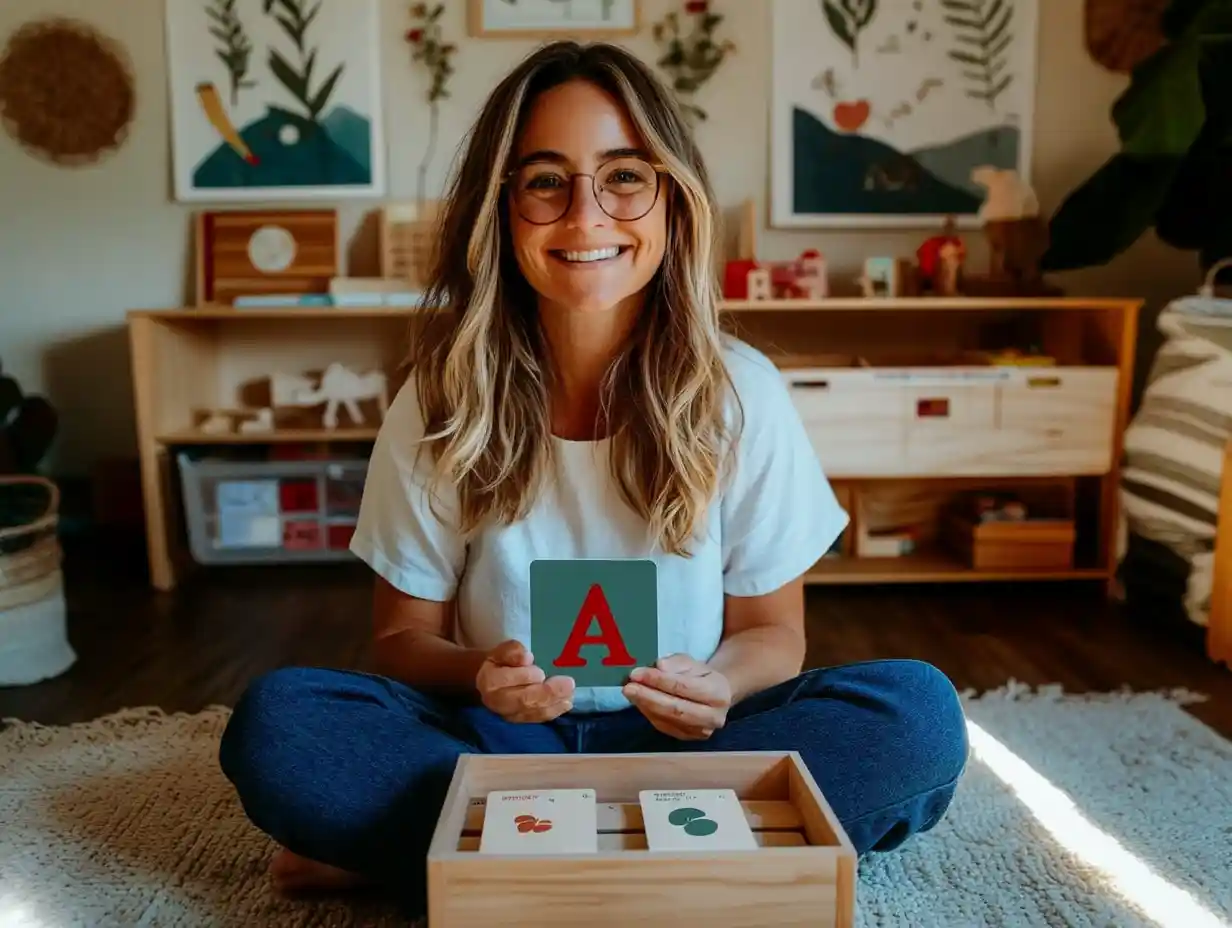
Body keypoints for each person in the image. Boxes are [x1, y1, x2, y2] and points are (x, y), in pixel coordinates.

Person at [218, 40, 968, 918]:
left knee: (915, 715)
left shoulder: (741, 392)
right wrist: (481, 675)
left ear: (672, 200)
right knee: (281, 722)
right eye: (544, 180)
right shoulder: (440, 399)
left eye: (623, 176)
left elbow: (773, 633)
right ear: (499, 209)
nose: (586, 215)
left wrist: (721, 684)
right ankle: (682, 855)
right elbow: (400, 643)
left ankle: (462, 853)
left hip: (693, 750)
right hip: (497, 741)